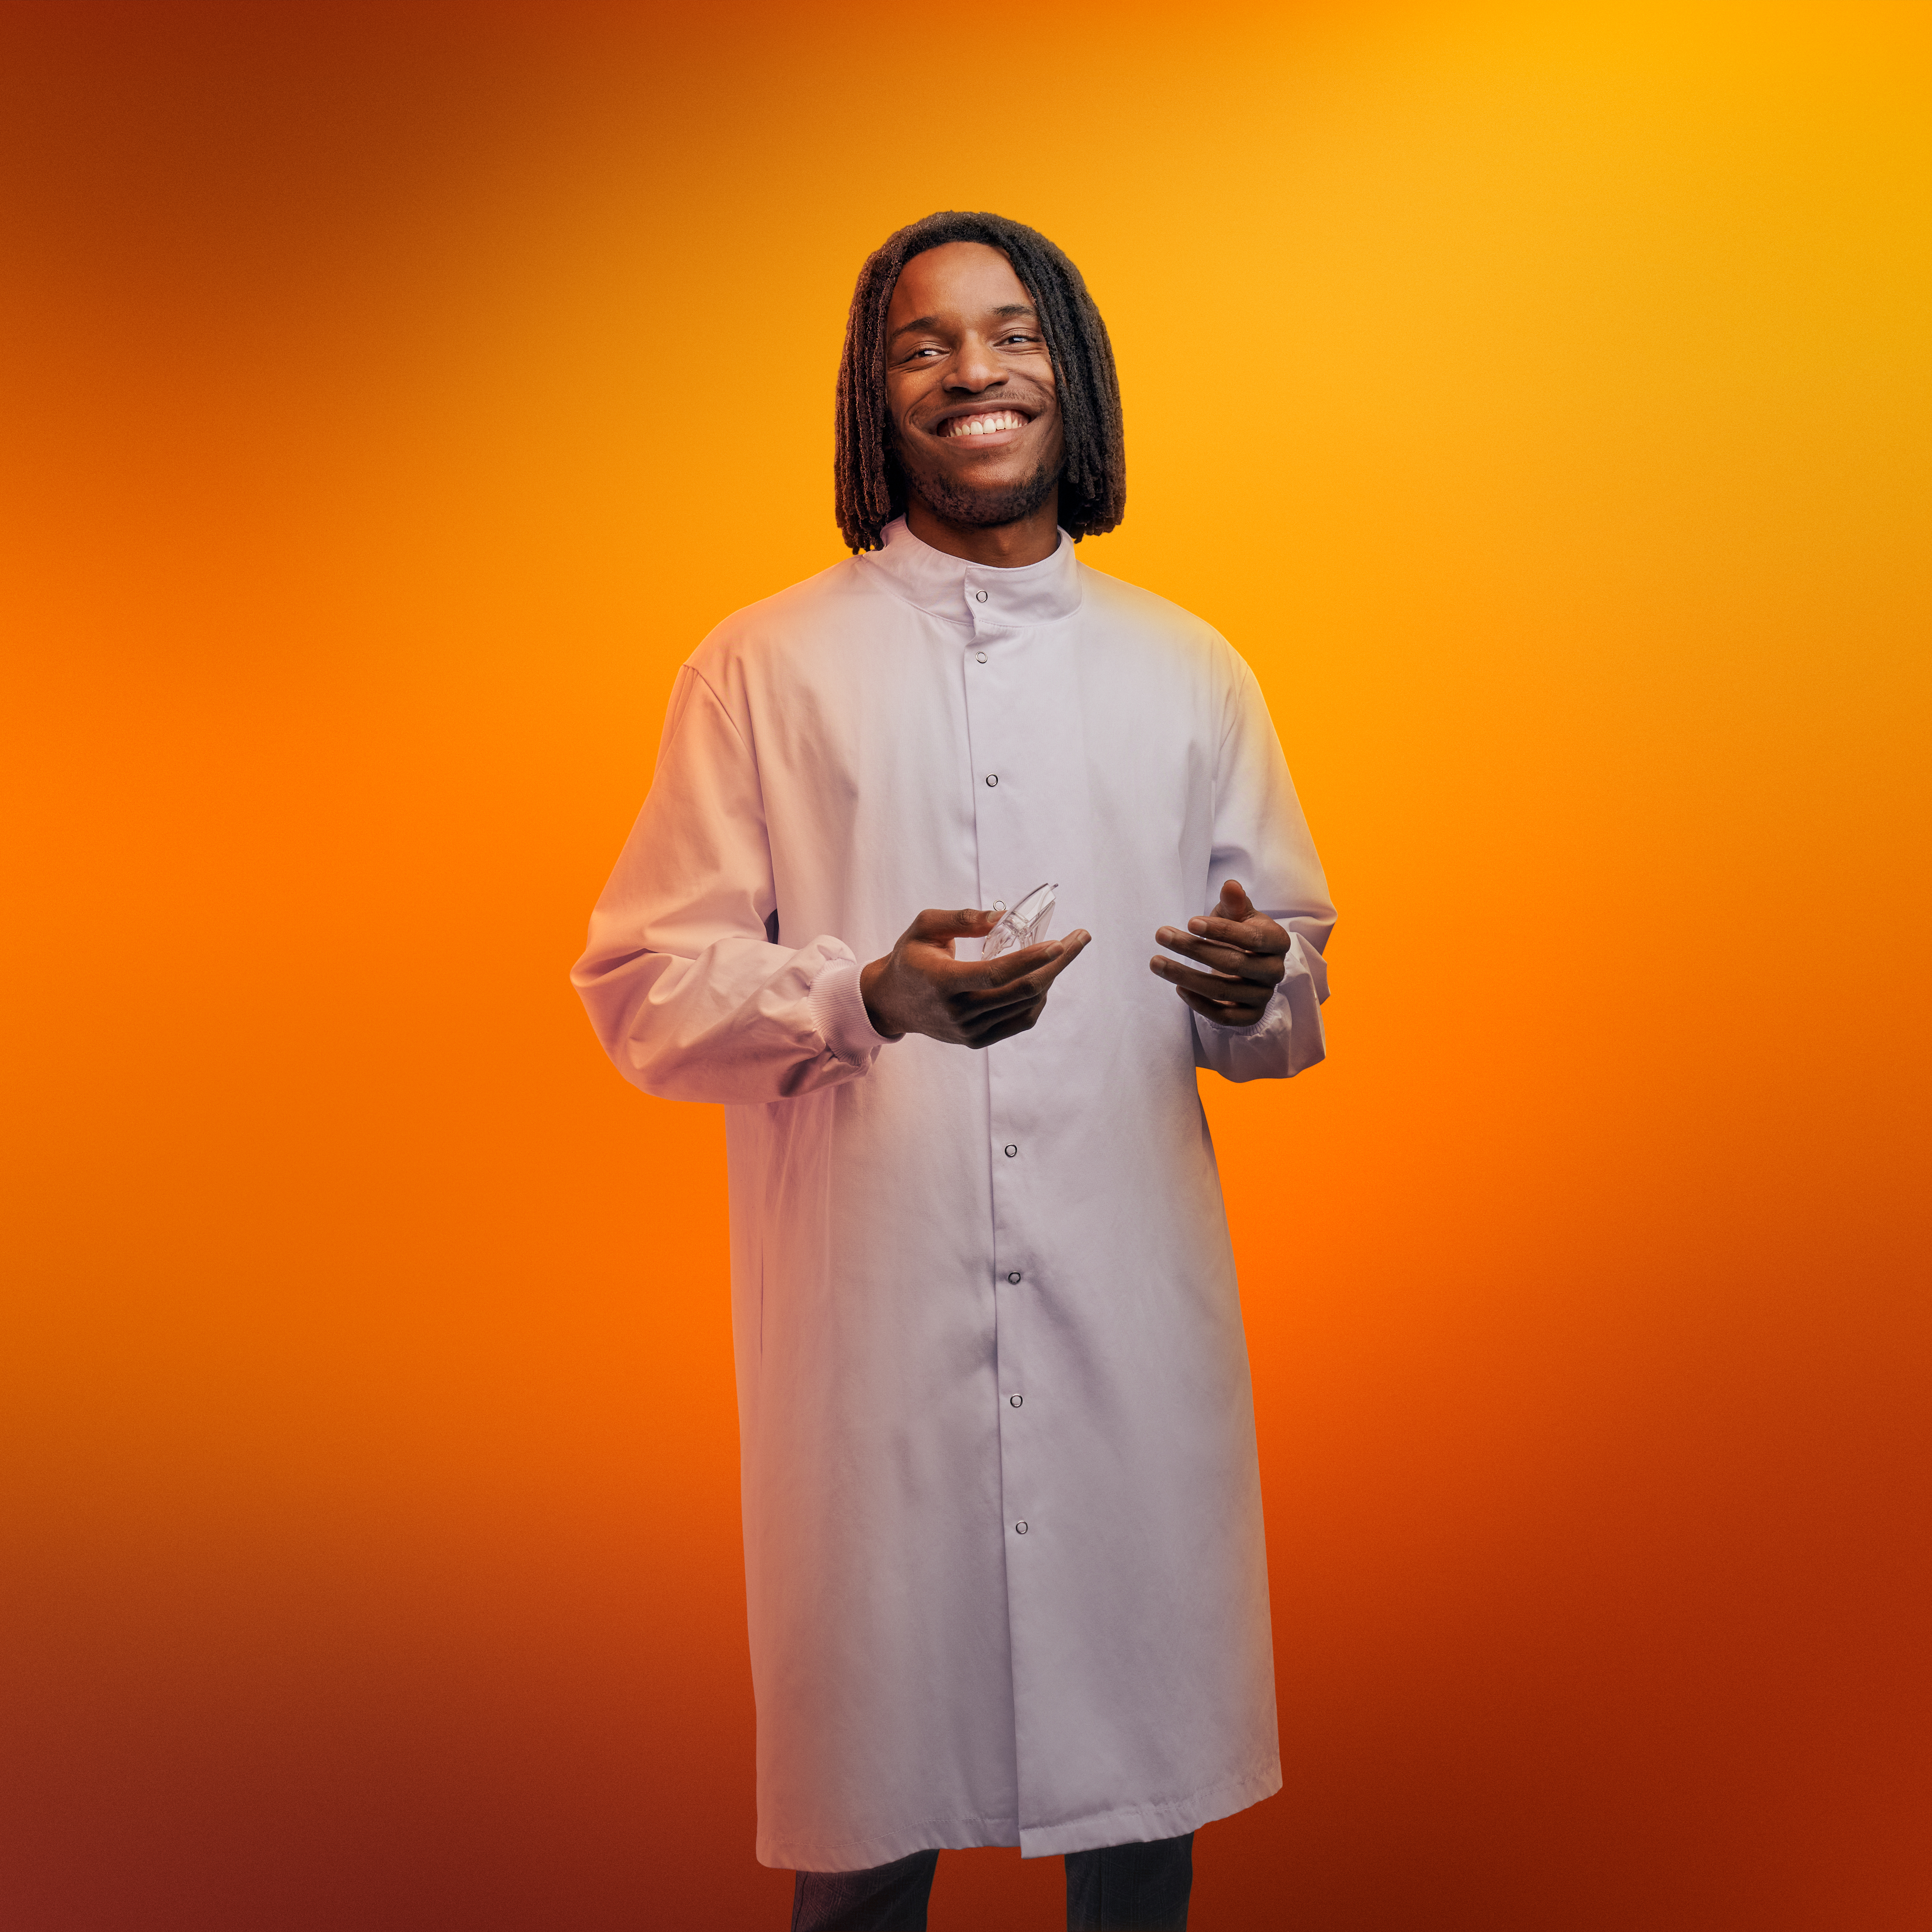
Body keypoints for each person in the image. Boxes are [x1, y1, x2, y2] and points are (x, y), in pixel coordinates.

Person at [573, 211, 1336, 1932]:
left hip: (1128, 1341)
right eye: (923, 343)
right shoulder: (762, 667)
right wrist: (864, 998)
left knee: (1140, 1850)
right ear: (875, 394)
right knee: (862, 1851)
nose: (972, 371)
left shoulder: (1186, 666)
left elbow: (1289, 985)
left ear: (1068, 370)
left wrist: (1259, 975)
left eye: (1009, 333)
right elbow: (641, 986)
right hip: (869, 1349)